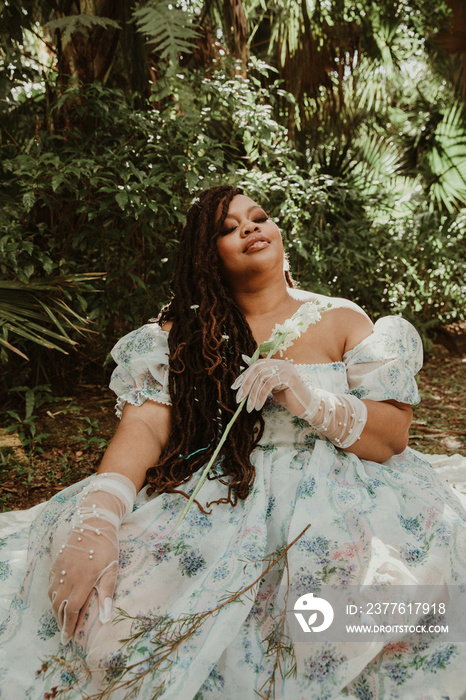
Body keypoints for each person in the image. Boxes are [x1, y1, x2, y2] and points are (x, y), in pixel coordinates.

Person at [0, 184, 466, 699]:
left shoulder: (342, 317)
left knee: (349, 602)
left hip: (342, 492)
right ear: (206, 256)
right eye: (227, 227)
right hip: (220, 491)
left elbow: (392, 435)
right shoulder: (180, 334)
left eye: (258, 216)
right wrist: (101, 514)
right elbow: (146, 426)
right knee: (123, 604)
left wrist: (309, 399)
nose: (248, 227)